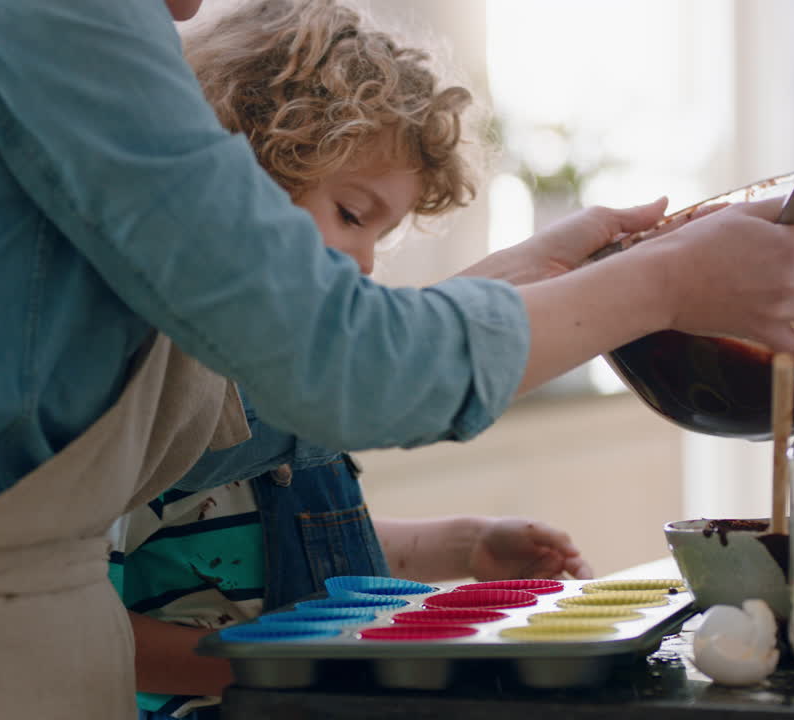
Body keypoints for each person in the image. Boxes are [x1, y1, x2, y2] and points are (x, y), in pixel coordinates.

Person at [0, 0, 794, 718]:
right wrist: (660, 283)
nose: (184, 9)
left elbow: (252, 393)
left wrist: (553, 271)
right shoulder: (34, 15)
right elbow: (339, 372)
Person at [112, 5, 591, 715]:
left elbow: (290, 542)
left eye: (382, 234)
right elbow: (84, 628)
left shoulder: (286, 381)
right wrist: (275, 671)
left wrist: (461, 548)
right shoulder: (161, 379)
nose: (366, 260)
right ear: (245, 172)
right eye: (353, 213)